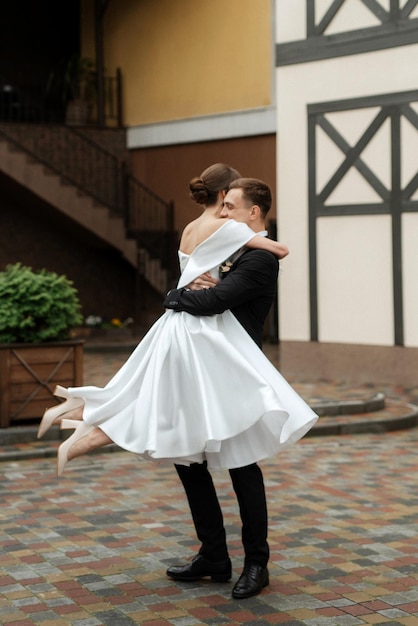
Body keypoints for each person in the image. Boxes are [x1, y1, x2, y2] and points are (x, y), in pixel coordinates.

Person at [38, 164, 318, 598]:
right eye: (222, 205)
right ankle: (214, 557)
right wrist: (196, 291)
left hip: (233, 378)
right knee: (189, 461)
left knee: (244, 470)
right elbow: (203, 288)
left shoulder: (258, 257)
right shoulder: (229, 245)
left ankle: (256, 563)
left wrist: (179, 297)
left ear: (254, 211)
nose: (223, 214)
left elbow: (217, 300)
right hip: (203, 370)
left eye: (231, 207)